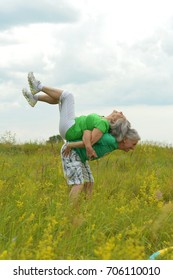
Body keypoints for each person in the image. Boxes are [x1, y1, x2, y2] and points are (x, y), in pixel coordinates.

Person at [23, 72, 127, 159]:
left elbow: (89, 141)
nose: (121, 112)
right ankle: (34, 98)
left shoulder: (103, 124)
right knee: (60, 97)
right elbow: (87, 132)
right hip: (70, 126)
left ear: (115, 121)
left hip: (70, 128)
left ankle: (39, 87)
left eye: (122, 116)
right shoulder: (102, 119)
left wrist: (86, 147)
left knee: (68, 96)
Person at [61, 121, 140, 204]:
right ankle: (70, 212)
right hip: (71, 151)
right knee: (78, 183)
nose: (133, 148)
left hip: (80, 157)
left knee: (89, 182)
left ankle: (87, 207)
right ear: (125, 140)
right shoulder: (109, 140)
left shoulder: (114, 144)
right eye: (133, 144)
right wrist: (69, 145)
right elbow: (87, 132)